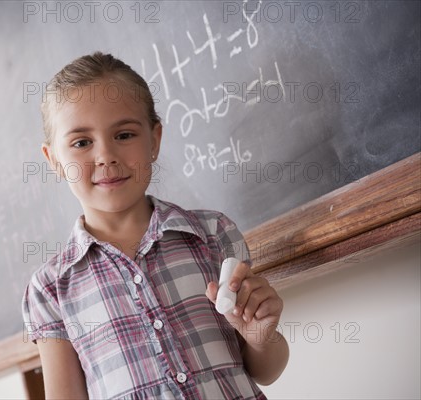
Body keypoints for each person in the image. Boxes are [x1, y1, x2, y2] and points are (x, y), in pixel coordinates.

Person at [22, 51, 289, 399]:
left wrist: (261, 337)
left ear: (155, 140)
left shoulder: (213, 234)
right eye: (82, 142)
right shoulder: (51, 287)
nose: (105, 155)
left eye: (124, 135)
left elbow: (265, 370)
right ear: (54, 159)